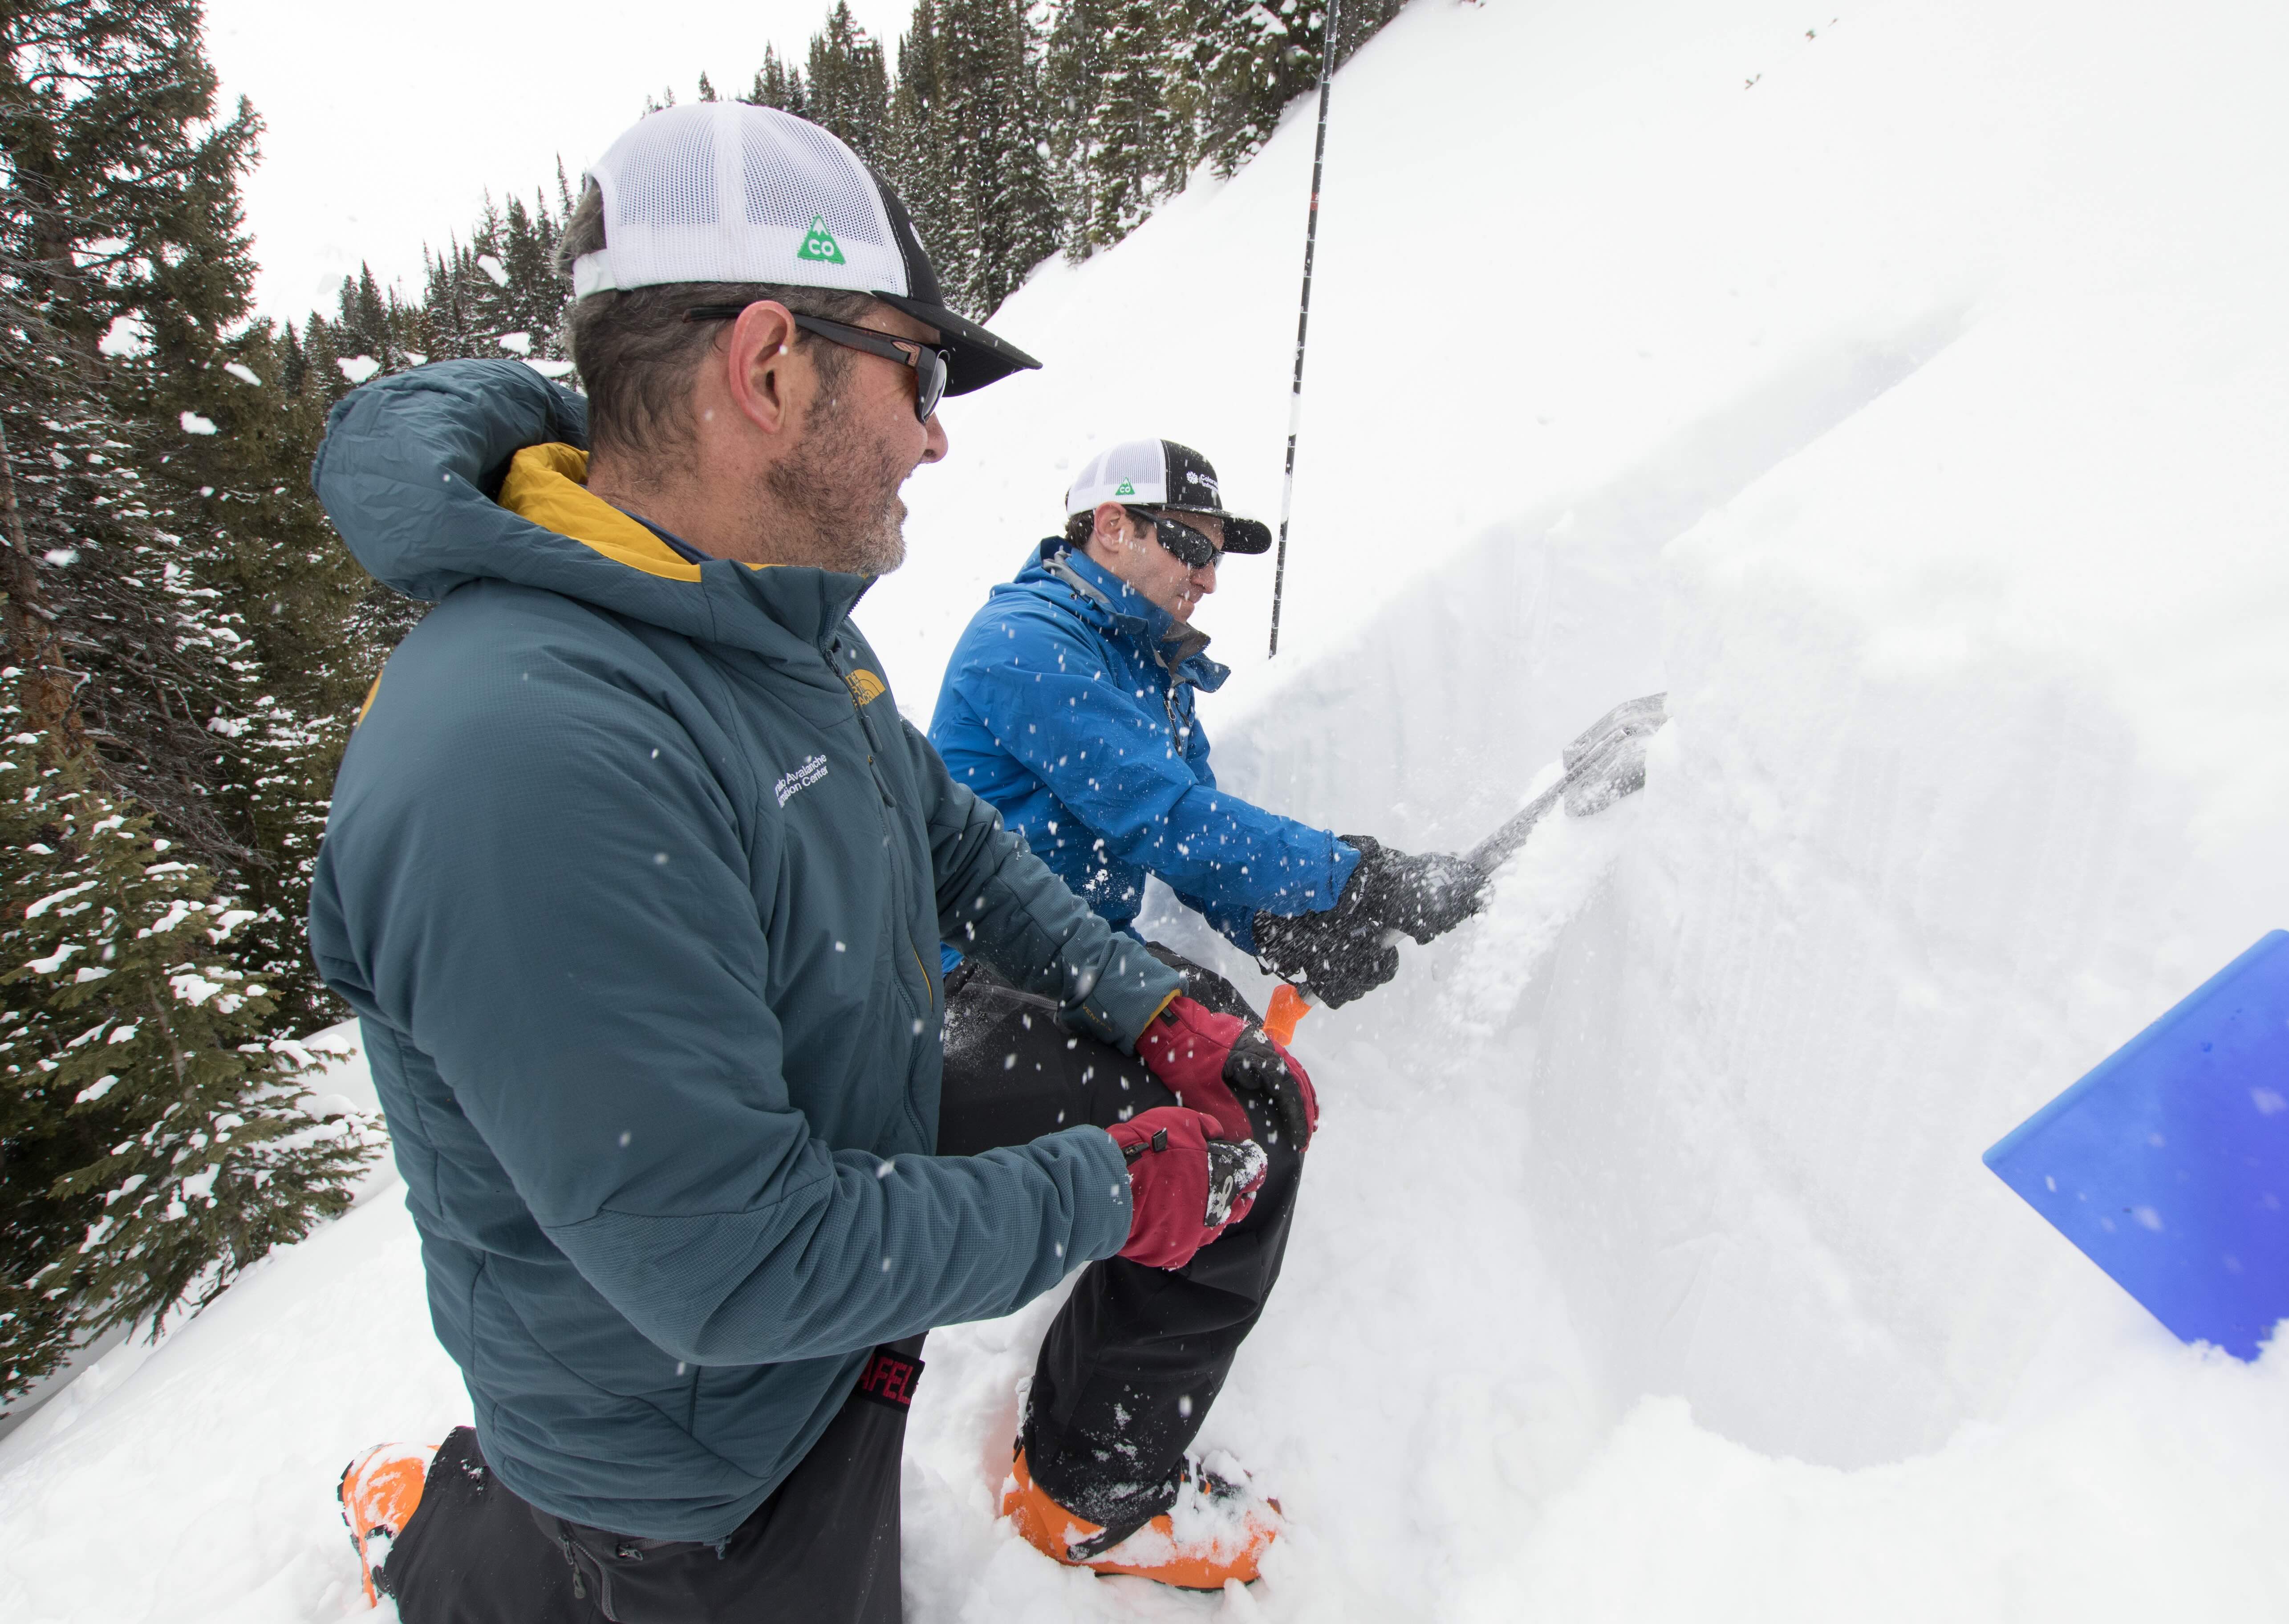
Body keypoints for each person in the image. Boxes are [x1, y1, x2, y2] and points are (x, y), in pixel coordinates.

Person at [309, 103, 1319, 1621]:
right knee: (597, 1560)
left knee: (1243, 1112)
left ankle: (1067, 1480)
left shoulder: (760, 609)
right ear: (768, 366)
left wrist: (1143, 1004)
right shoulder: (526, 759)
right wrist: (1109, 1188)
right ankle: (466, 1532)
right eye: (914, 373)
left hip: (816, 1244)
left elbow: (939, 828)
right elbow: (730, 1263)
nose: (935, 429)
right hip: (694, 1438)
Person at [927, 438, 1491, 1031]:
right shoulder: (1026, 643)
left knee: (1240, 1054)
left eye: (1215, 559)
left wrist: (1279, 928)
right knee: (1229, 1088)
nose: (1208, 580)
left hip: (1078, 949)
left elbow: (1198, 847)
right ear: (1114, 525)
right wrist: (1357, 879)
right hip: (972, 969)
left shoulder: (1153, 666)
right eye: (1192, 547)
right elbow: (1166, 818)